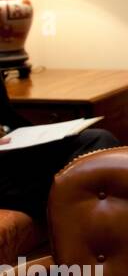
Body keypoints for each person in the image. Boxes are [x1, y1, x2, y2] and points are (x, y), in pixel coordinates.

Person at [0, 74, 117, 222]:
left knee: (98, 141)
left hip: (9, 150)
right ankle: (78, 228)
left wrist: (36, 135)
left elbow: (6, 116)